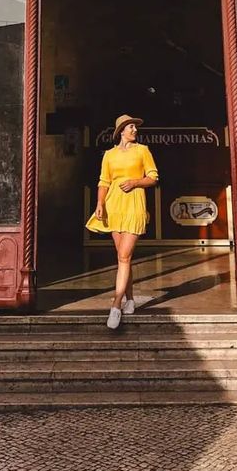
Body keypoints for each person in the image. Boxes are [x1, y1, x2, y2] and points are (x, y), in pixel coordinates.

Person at [85, 114, 159, 330]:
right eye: (131, 127)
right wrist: (99, 203)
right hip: (113, 206)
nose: (135, 130)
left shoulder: (143, 151)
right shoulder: (109, 155)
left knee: (124, 256)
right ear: (121, 131)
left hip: (134, 205)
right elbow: (103, 181)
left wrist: (136, 182)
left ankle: (116, 305)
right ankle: (131, 299)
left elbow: (153, 177)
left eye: (135, 127)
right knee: (122, 258)